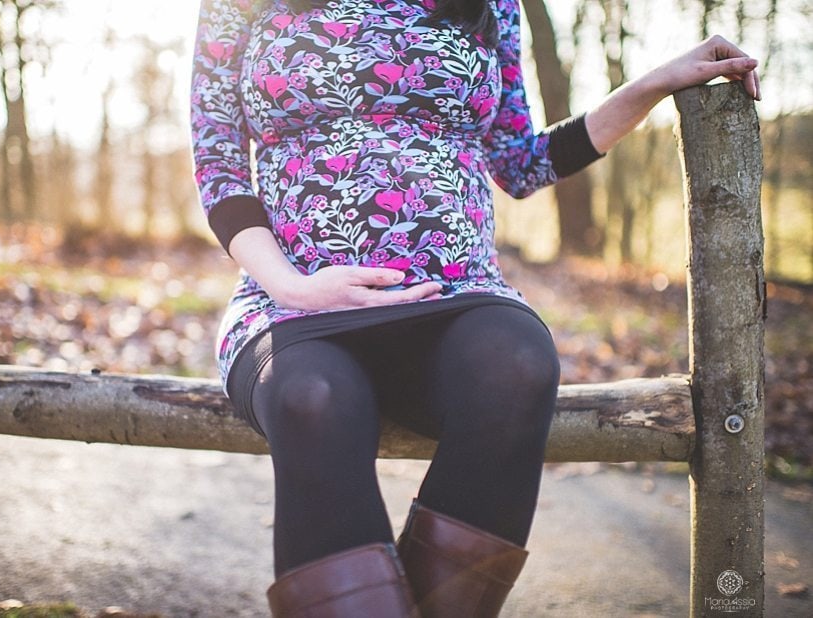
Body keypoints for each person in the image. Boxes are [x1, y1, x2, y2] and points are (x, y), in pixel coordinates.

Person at [190, 0, 760, 615]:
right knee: (315, 399)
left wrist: (653, 82)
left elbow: (521, 161)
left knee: (517, 364)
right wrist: (291, 287)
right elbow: (218, 166)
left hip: (456, 298)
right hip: (296, 309)